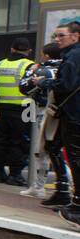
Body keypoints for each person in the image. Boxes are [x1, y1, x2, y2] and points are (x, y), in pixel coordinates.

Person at [36, 22, 80, 226]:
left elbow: (66, 85)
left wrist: (43, 82)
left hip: (73, 114)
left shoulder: (72, 56)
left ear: (75, 36)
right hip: (73, 113)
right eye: (56, 36)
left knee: (75, 157)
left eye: (61, 35)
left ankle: (77, 207)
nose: (57, 39)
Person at [0, 37, 35, 186]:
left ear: (12, 49)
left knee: (1, 141)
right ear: (29, 51)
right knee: (20, 141)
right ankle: (15, 175)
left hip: (2, 108)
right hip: (25, 109)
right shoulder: (30, 66)